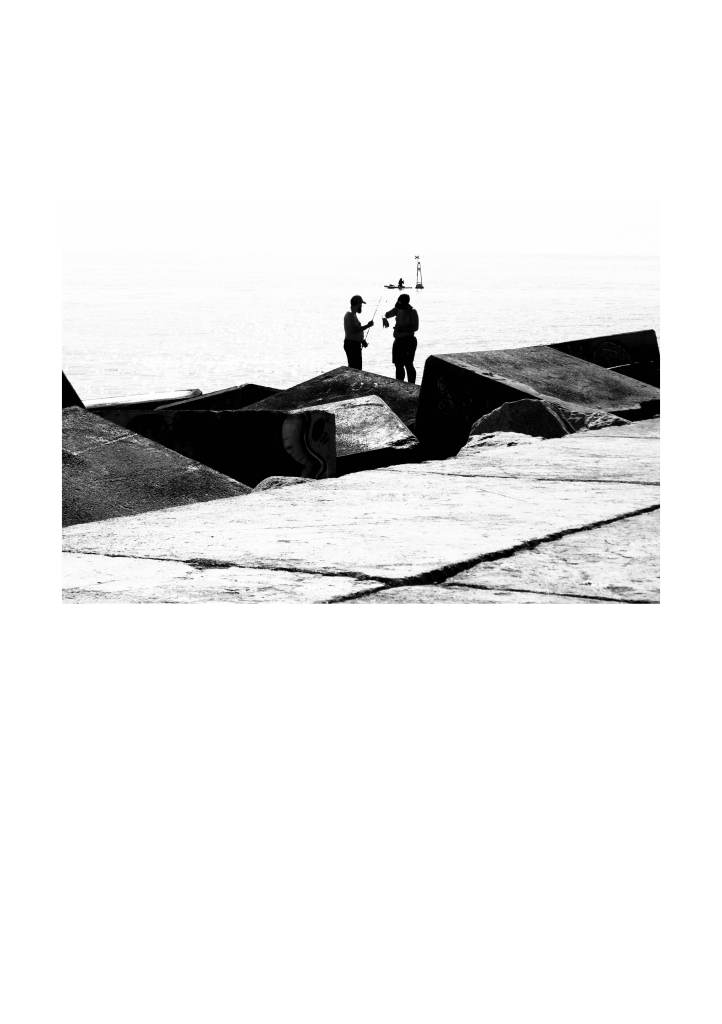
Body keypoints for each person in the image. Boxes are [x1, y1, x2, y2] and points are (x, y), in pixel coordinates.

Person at [382, 293, 419, 383]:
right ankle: (399, 384)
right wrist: (384, 319)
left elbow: (415, 327)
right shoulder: (397, 309)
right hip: (398, 341)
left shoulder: (412, 311)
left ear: (406, 303)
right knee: (398, 365)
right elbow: (385, 314)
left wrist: (402, 329)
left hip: (409, 341)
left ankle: (412, 385)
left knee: (408, 364)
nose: (400, 307)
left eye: (401, 305)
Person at [343, 295, 374, 370]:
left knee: (357, 368)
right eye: (360, 304)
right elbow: (355, 329)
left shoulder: (353, 314)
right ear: (357, 304)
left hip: (354, 344)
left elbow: (354, 332)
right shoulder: (349, 315)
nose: (361, 306)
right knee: (355, 369)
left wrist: (362, 340)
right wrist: (368, 325)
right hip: (351, 345)